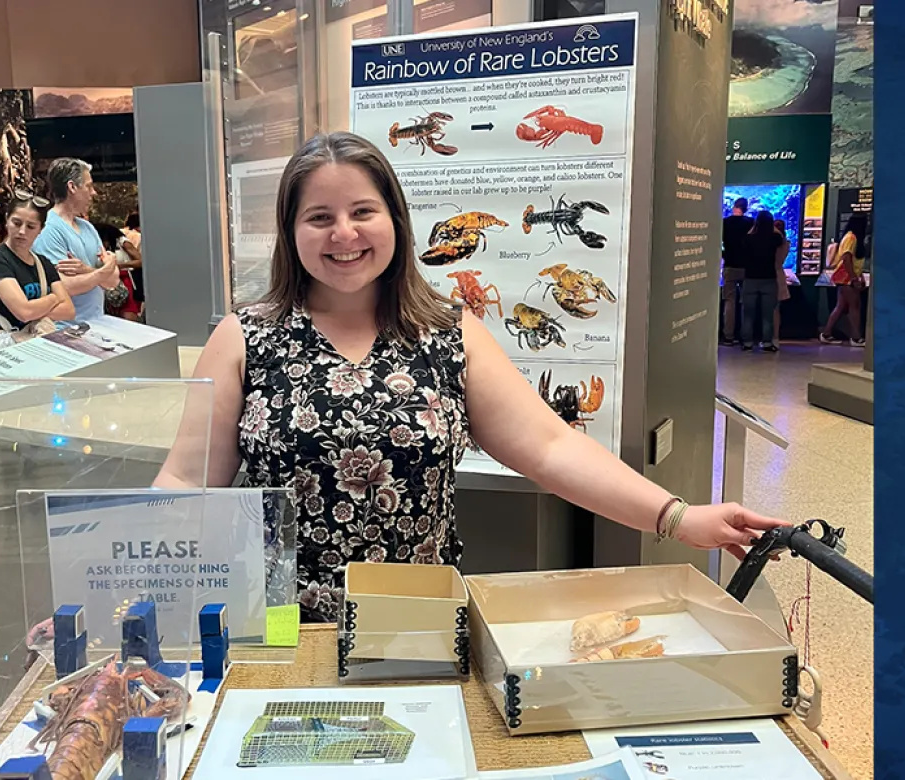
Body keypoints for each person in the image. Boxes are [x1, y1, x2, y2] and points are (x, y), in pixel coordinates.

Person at [153, 133, 790, 623]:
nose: (343, 233)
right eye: (318, 217)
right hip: (274, 623)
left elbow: (550, 446)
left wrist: (678, 517)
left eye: (362, 211)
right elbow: (185, 479)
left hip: (416, 619)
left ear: (396, 223)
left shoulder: (447, 331)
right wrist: (124, 587)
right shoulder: (245, 336)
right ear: (291, 233)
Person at [0, 194, 75, 349]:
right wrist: (53, 298)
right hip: (14, 344)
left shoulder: (43, 263)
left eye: (31, 226)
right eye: (16, 223)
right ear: (7, 220)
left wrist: (33, 310)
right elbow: (23, 312)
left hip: (43, 342)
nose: (22, 231)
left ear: (41, 229)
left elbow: (69, 310)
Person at [34, 158, 121, 323]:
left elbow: (114, 281)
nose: (93, 192)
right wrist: (103, 271)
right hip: (65, 331)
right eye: (88, 186)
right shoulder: (49, 230)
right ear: (72, 187)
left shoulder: (87, 228)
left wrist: (86, 270)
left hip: (96, 323)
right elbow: (64, 287)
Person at [739, 210, 787, 352]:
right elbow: (781, 239)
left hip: (750, 279)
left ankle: (747, 342)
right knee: (768, 314)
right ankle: (767, 343)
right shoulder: (774, 238)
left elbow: (746, 239)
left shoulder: (749, 239)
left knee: (748, 313)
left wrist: (755, 227)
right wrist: (772, 227)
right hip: (769, 279)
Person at [820, 213, 868, 347]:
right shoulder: (851, 238)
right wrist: (854, 277)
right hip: (846, 277)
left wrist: (860, 275)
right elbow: (846, 259)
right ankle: (856, 337)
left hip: (845, 277)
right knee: (854, 306)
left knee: (840, 306)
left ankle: (826, 333)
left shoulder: (850, 237)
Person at [720, 198, 753, 347]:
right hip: (747, 267)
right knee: (746, 302)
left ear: (734, 207)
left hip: (730, 265)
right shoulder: (750, 223)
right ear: (746, 208)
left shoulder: (725, 223)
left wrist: (724, 255)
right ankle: (746, 336)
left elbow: (719, 243)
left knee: (729, 301)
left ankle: (728, 336)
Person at [94, 223, 142, 321]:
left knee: (127, 311)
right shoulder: (97, 246)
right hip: (105, 281)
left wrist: (120, 266)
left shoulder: (122, 242)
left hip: (125, 279)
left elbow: (140, 261)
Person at [773, 218, 791, 348]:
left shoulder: (772, 242)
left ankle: (768, 337)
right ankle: (775, 337)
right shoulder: (786, 243)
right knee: (776, 309)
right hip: (780, 275)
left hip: (769, 275)